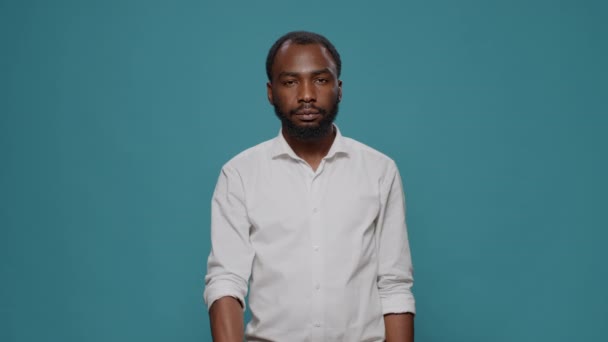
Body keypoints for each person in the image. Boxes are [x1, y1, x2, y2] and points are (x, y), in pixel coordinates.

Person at [204, 31, 415, 342]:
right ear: (270, 92)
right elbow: (226, 281)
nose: (306, 95)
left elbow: (394, 285)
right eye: (290, 82)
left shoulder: (379, 171)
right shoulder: (239, 175)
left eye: (320, 80)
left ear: (339, 89)